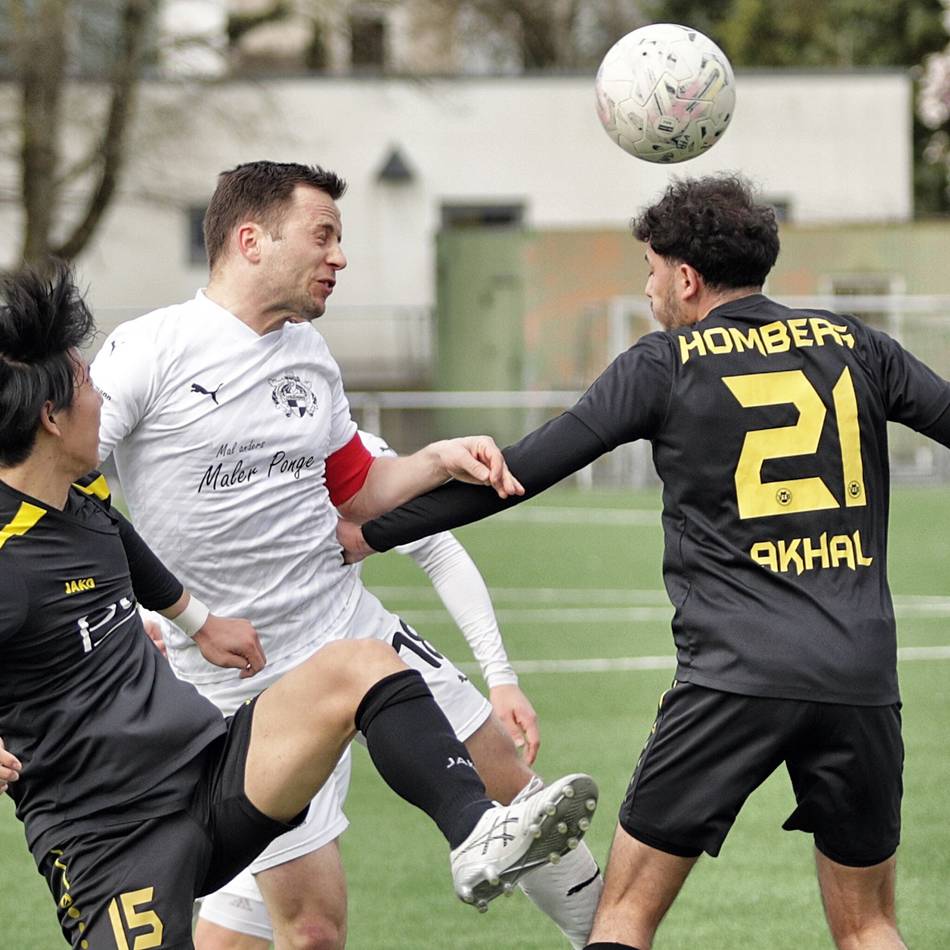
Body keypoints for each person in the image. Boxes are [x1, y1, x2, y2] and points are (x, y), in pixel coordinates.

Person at [338, 173, 950, 950]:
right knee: (869, 925)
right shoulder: (855, 344)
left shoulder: (667, 362)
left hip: (733, 677)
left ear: (686, 278)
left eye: (652, 271)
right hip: (861, 677)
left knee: (623, 915)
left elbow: (515, 474)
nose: (650, 287)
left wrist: (371, 530)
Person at [0, 263, 598, 949]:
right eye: (85, 388)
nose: (103, 398)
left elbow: (126, 548)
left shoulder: (83, 497)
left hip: (208, 776)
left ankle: (475, 831)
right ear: (49, 418)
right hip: (112, 840)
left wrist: (200, 621)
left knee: (362, 666)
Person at [197, 427, 544, 945]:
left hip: (360, 661)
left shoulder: (333, 437)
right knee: (303, 933)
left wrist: (501, 677)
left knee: (517, 793)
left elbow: (438, 550)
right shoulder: (187, 439)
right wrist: (173, 619)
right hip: (251, 702)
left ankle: (606, 933)